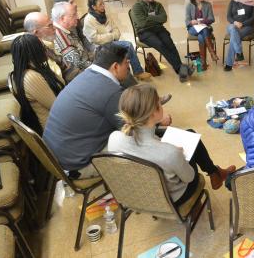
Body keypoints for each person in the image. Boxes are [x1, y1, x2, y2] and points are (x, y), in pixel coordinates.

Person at [43, 43, 170, 178]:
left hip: (58, 156)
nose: (129, 67)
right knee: (143, 146)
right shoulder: (111, 92)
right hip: (79, 165)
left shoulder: (86, 76)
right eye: (127, 63)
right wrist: (157, 120)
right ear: (115, 66)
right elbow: (134, 131)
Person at [108, 84, 236, 202]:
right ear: (154, 112)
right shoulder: (170, 153)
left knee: (189, 134)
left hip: (136, 196)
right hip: (171, 199)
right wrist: (180, 157)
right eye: (159, 102)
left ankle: (215, 173)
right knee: (191, 139)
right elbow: (190, 177)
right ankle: (215, 173)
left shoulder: (113, 138)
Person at [131, 0, 194, 82]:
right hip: (144, 32)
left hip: (158, 29)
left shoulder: (157, 5)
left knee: (170, 44)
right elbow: (142, 23)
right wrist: (156, 19)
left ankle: (181, 70)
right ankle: (180, 68)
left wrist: (149, 18)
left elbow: (163, 18)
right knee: (160, 44)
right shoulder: (136, 7)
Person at [83, 0, 151, 80]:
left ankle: (129, 73)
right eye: (100, 4)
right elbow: (95, 39)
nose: (103, 6)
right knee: (128, 45)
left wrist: (110, 36)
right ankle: (137, 72)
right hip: (99, 47)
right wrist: (111, 36)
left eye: (103, 3)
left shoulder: (106, 16)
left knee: (127, 49)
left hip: (110, 42)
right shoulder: (88, 20)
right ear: (93, 7)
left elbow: (117, 32)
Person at [11, 34, 65, 134]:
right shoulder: (31, 77)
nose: (45, 50)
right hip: (57, 129)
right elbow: (58, 108)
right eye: (42, 47)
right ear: (34, 52)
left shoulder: (35, 68)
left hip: (60, 121)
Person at [23, 12, 80, 83]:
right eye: (50, 25)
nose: (55, 28)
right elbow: (60, 80)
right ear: (36, 32)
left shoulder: (46, 43)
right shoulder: (36, 53)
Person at [224, 0, 254, 71]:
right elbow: (228, 17)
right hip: (233, 25)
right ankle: (239, 52)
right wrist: (235, 22)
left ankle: (229, 63)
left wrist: (242, 24)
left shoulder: (253, 2)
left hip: (247, 27)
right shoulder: (233, 1)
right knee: (232, 28)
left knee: (233, 37)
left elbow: (253, 18)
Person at [52, 2, 94, 73]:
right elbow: (78, 66)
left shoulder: (66, 29)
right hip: (83, 74)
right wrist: (100, 65)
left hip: (88, 62)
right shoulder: (63, 40)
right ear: (63, 18)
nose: (77, 17)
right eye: (74, 15)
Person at [185, 0, 218, 70]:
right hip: (193, 28)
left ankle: (203, 64)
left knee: (201, 36)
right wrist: (192, 22)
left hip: (205, 28)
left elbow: (212, 19)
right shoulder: (189, 6)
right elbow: (187, 21)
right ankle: (212, 52)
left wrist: (201, 22)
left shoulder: (207, 5)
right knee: (204, 30)